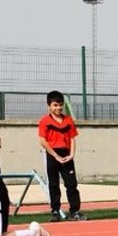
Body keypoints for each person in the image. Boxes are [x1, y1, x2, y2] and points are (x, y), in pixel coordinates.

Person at [38, 90, 87, 222]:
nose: (58, 107)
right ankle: (55, 211)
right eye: (55, 105)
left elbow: (72, 138)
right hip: (52, 154)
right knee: (53, 184)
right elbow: (43, 141)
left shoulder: (68, 120)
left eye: (60, 105)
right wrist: (55, 156)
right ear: (49, 106)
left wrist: (71, 154)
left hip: (67, 155)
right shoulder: (44, 121)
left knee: (71, 184)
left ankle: (75, 211)